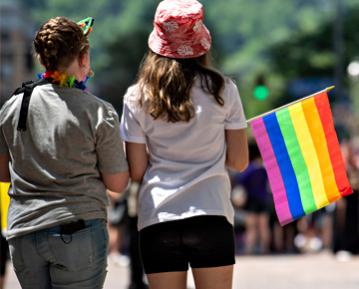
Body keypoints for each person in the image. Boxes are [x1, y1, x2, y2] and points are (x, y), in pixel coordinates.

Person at [120, 1, 249, 288]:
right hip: (211, 213)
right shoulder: (224, 89)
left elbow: (137, 171)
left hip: (158, 216)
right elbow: (239, 161)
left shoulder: (136, 96)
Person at [0, 16, 129, 289]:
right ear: (83, 57)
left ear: (43, 58)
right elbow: (117, 184)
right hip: (78, 230)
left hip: (24, 232)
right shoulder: (98, 110)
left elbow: (3, 175)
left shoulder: (12, 106)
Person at [232, 141, 271, 254]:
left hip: (252, 201)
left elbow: (240, 181)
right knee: (264, 226)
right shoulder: (263, 169)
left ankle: (249, 250)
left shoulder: (249, 169)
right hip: (263, 199)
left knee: (251, 227)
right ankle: (265, 249)